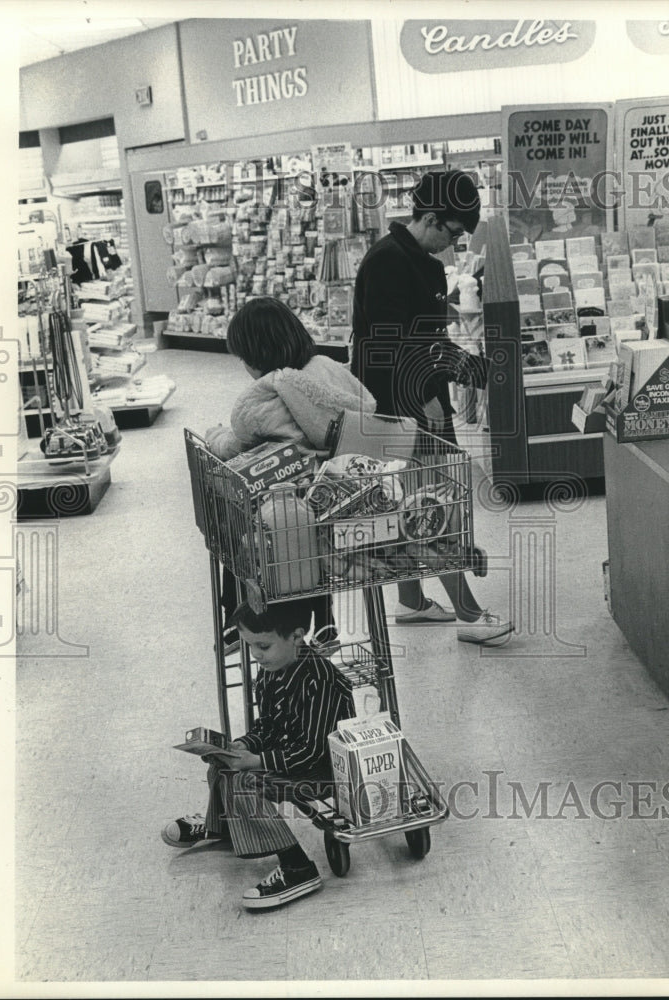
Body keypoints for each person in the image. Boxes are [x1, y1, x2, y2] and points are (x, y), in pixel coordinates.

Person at [350, 170, 512, 644]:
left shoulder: (412, 258)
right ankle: (468, 614)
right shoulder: (389, 262)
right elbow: (393, 346)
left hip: (409, 399)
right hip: (406, 403)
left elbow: (427, 339)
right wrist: (427, 402)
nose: (454, 246)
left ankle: (413, 601)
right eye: (454, 233)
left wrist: (471, 369)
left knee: (404, 501)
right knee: (435, 506)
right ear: (432, 218)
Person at [205, 296, 377, 652]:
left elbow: (233, 445)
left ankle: (234, 618)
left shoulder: (265, 395)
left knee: (236, 525)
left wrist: (213, 434)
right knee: (314, 536)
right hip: (339, 495)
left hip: (283, 509)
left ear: (255, 354)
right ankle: (325, 621)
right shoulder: (326, 368)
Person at [161, 599, 355, 909]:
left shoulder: (320, 681)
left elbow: (312, 750)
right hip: (291, 758)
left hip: (324, 770)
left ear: (297, 636)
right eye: (251, 646)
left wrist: (258, 761)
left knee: (245, 782)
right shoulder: (272, 669)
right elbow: (267, 725)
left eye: (263, 646)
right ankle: (225, 826)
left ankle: (297, 867)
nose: (256, 655)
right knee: (223, 767)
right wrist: (245, 745)